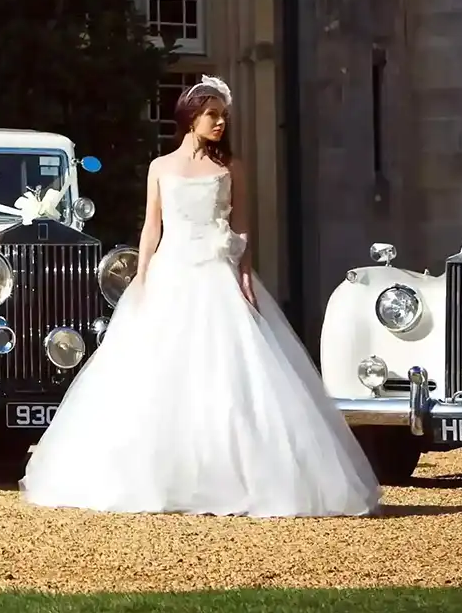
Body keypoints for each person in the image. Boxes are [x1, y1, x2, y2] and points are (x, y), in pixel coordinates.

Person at [19, 75, 382, 517]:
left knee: (229, 372)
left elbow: (244, 226)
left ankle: (234, 476)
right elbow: (153, 225)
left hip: (217, 273)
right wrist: (144, 271)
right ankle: (155, 475)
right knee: (154, 372)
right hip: (172, 270)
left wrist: (245, 274)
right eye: (213, 116)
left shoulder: (231, 168)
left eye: (223, 117)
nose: (220, 123)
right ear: (191, 119)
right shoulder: (160, 167)